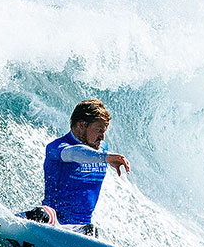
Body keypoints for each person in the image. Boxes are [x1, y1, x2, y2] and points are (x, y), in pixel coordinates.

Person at [21, 99, 130, 236]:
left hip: (79, 230)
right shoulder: (57, 147)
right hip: (52, 222)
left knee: (92, 231)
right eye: (98, 130)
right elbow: (74, 153)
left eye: (104, 131)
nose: (102, 137)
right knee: (42, 214)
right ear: (82, 125)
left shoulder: (102, 148)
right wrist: (104, 158)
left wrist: (104, 155)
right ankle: (6, 222)